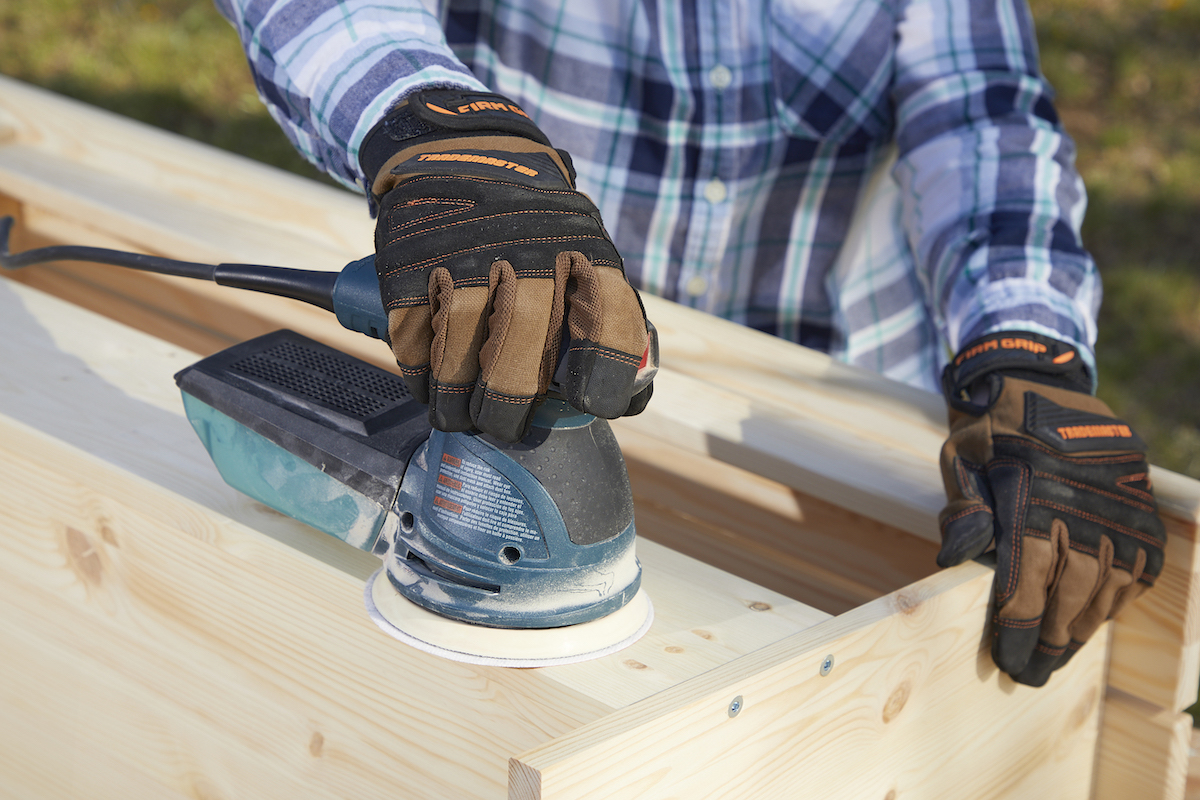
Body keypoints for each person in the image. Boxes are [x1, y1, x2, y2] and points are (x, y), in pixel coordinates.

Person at [212, 0, 1165, 687]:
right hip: (519, 292)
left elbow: (977, 106)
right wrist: (439, 129)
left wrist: (1024, 346)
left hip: (826, 385)